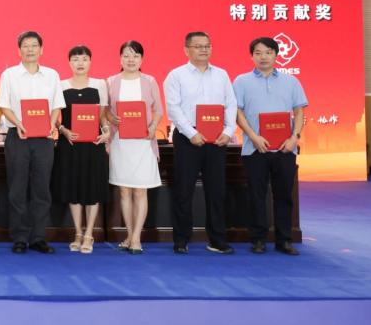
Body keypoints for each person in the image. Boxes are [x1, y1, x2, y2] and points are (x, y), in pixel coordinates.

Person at [164, 31, 238, 255]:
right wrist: (191, 133)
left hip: (217, 138)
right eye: (198, 46)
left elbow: (231, 104)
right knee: (184, 190)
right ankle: (181, 239)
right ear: (186, 50)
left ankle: (217, 239)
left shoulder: (222, 75)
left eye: (207, 45)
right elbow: (173, 109)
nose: (204, 49)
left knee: (216, 190)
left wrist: (228, 131)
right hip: (188, 139)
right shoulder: (176, 75)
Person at [233, 37, 308, 256]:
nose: (263, 57)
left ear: (276, 54)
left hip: (285, 148)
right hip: (255, 148)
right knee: (256, 195)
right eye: (258, 53)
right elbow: (237, 112)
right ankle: (258, 239)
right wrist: (253, 137)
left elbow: (299, 111)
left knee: (284, 195)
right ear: (251, 56)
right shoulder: (241, 81)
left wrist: (295, 137)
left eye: (268, 52)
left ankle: (284, 239)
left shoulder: (291, 81)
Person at [0, 31, 64, 254]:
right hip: (18, 136)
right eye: (25, 46)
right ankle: (19, 237)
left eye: (34, 45)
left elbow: (57, 105)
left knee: (41, 189)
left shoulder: (52, 75)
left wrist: (50, 125)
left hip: (44, 139)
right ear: (19, 50)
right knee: (17, 189)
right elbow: (3, 105)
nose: (30, 49)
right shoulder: (9, 75)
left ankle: (38, 237)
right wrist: (18, 123)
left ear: (41, 49)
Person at [52, 45, 110, 255]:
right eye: (76, 59)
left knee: (92, 189)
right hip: (70, 144)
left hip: (93, 144)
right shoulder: (60, 85)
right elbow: (55, 117)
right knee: (73, 189)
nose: (80, 63)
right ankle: (78, 232)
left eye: (84, 59)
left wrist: (106, 131)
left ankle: (89, 234)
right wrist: (63, 130)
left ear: (90, 62)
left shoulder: (100, 84)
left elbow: (103, 116)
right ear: (69, 62)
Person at [107, 41, 163, 254]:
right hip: (120, 142)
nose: (131, 60)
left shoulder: (150, 81)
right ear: (120, 58)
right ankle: (129, 235)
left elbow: (158, 110)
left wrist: (153, 127)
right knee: (124, 191)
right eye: (126, 55)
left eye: (135, 55)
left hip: (143, 143)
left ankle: (137, 238)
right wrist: (111, 117)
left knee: (140, 190)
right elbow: (105, 110)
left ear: (142, 59)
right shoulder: (111, 81)